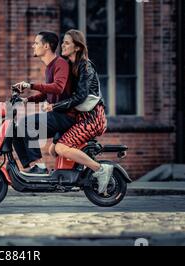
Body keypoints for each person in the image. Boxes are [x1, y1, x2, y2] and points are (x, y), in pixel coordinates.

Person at [45, 29, 113, 194]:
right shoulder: (69, 66)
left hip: (91, 118)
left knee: (61, 148)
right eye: (63, 42)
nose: (63, 45)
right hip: (78, 118)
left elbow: (81, 96)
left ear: (77, 47)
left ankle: (100, 169)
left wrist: (55, 107)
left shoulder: (85, 67)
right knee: (52, 150)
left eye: (67, 43)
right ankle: (75, 175)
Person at [12, 31, 75, 176]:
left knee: (27, 123)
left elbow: (58, 87)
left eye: (36, 43)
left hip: (66, 115)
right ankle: (31, 167)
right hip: (57, 115)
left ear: (46, 46)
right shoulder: (50, 67)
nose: (33, 46)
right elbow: (48, 93)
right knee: (14, 130)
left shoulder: (60, 63)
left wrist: (30, 85)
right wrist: (26, 100)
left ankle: (39, 166)